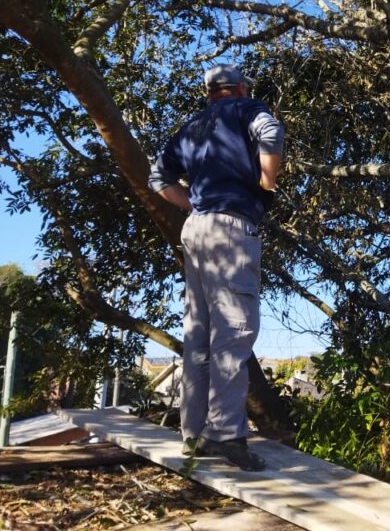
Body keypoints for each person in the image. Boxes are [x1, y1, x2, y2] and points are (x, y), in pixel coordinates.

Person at [148, 64, 284, 472]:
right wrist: (267, 181)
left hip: (196, 230)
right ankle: (227, 434)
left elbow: (157, 176)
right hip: (229, 230)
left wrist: (193, 204)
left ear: (210, 94)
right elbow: (272, 132)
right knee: (235, 329)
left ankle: (195, 434)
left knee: (200, 331)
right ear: (240, 88)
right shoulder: (246, 109)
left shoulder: (190, 128)